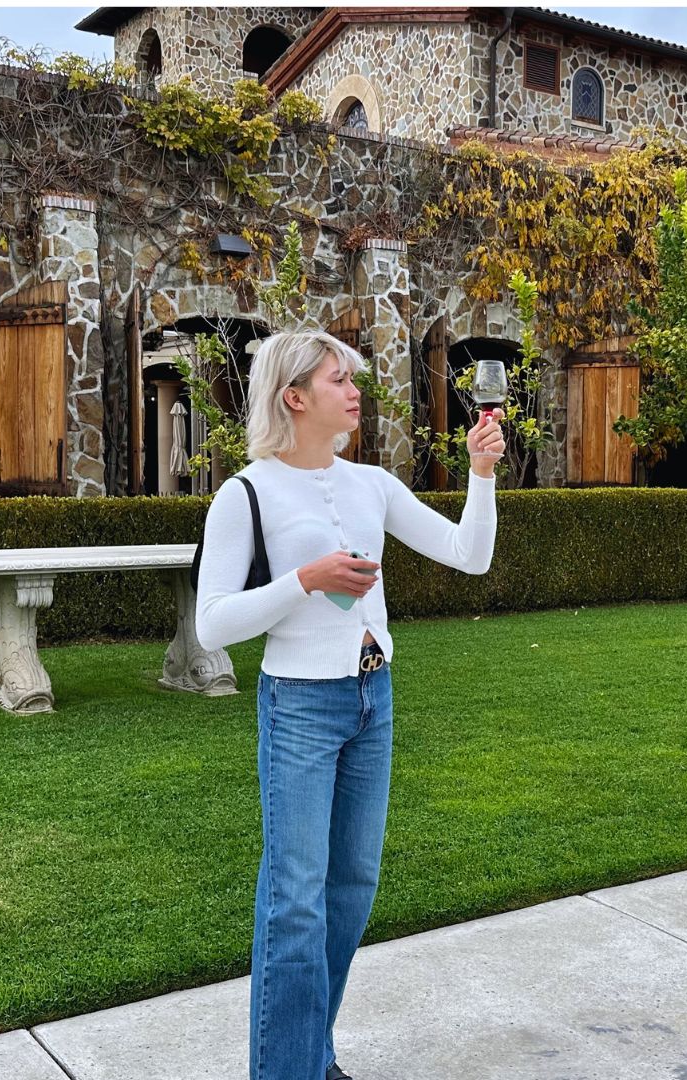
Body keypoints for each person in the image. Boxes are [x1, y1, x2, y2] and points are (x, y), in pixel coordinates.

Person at [193, 330, 505, 1080]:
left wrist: (482, 475)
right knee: (295, 901)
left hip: (374, 698)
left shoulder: (371, 485)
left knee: (351, 892)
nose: (355, 389)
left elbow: (471, 555)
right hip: (299, 705)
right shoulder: (247, 493)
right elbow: (211, 625)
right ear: (295, 396)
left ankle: (309, 1056)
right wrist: (304, 579)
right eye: (340, 379)